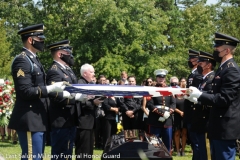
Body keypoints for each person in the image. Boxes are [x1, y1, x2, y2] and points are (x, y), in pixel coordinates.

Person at [8, 24, 68, 160]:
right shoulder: (22, 60)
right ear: (30, 40)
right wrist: (50, 88)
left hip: (37, 118)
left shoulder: (33, 59)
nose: (42, 42)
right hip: (29, 118)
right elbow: (25, 91)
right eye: (40, 39)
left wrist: (61, 93)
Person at [186, 33, 240, 160]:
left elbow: (224, 99)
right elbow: (215, 94)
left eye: (217, 49)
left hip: (225, 126)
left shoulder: (231, 70)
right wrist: (198, 97)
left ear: (226, 50)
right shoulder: (223, 68)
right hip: (217, 124)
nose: (215, 51)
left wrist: (200, 95)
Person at [46, 40, 83, 160]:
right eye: (67, 52)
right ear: (59, 54)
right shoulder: (54, 71)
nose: (70, 55)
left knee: (67, 151)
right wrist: (75, 98)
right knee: (60, 152)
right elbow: (55, 95)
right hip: (61, 119)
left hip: (70, 118)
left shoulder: (68, 70)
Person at [188, 51, 216, 160]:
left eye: (201, 63)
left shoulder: (212, 78)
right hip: (199, 118)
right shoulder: (204, 79)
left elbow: (211, 99)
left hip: (205, 119)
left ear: (208, 65)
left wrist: (197, 100)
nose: (198, 65)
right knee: (199, 150)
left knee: (206, 151)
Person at [75, 63, 103, 160]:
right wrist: (93, 103)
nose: (94, 74)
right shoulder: (80, 84)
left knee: (89, 151)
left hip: (90, 122)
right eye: (91, 72)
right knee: (83, 151)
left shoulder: (88, 84)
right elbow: (81, 102)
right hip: (83, 123)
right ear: (85, 73)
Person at [146, 69, 176, 153]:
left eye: (162, 77)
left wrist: (168, 113)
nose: (161, 79)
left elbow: (173, 104)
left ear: (165, 78)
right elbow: (150, 104)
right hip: (155, 120)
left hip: (167, 121)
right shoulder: (152, 90)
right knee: (154, 144)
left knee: (167, 144)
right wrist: (162, 113)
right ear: (156, 78)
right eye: (159, 77)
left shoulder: (170, 90)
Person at [183, 49, 202, 157]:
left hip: (194, 112)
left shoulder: (198, 75)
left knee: (197, 142)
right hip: (190, 112)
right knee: (194, 141)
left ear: (195, 61)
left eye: (191, 59)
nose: (189, 61)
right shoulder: (192, 74)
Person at [173, 77, 187, 156]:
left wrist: (185, 113)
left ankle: (183, 150)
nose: (183, 83)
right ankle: (178, 150)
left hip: (185, 115)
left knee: (184, 133)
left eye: (184, 81)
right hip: (177, 115)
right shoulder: (175, 93)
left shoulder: (188, 93)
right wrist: (180, 112)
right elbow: (172, 105)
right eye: (181, 81)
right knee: (177, 133)